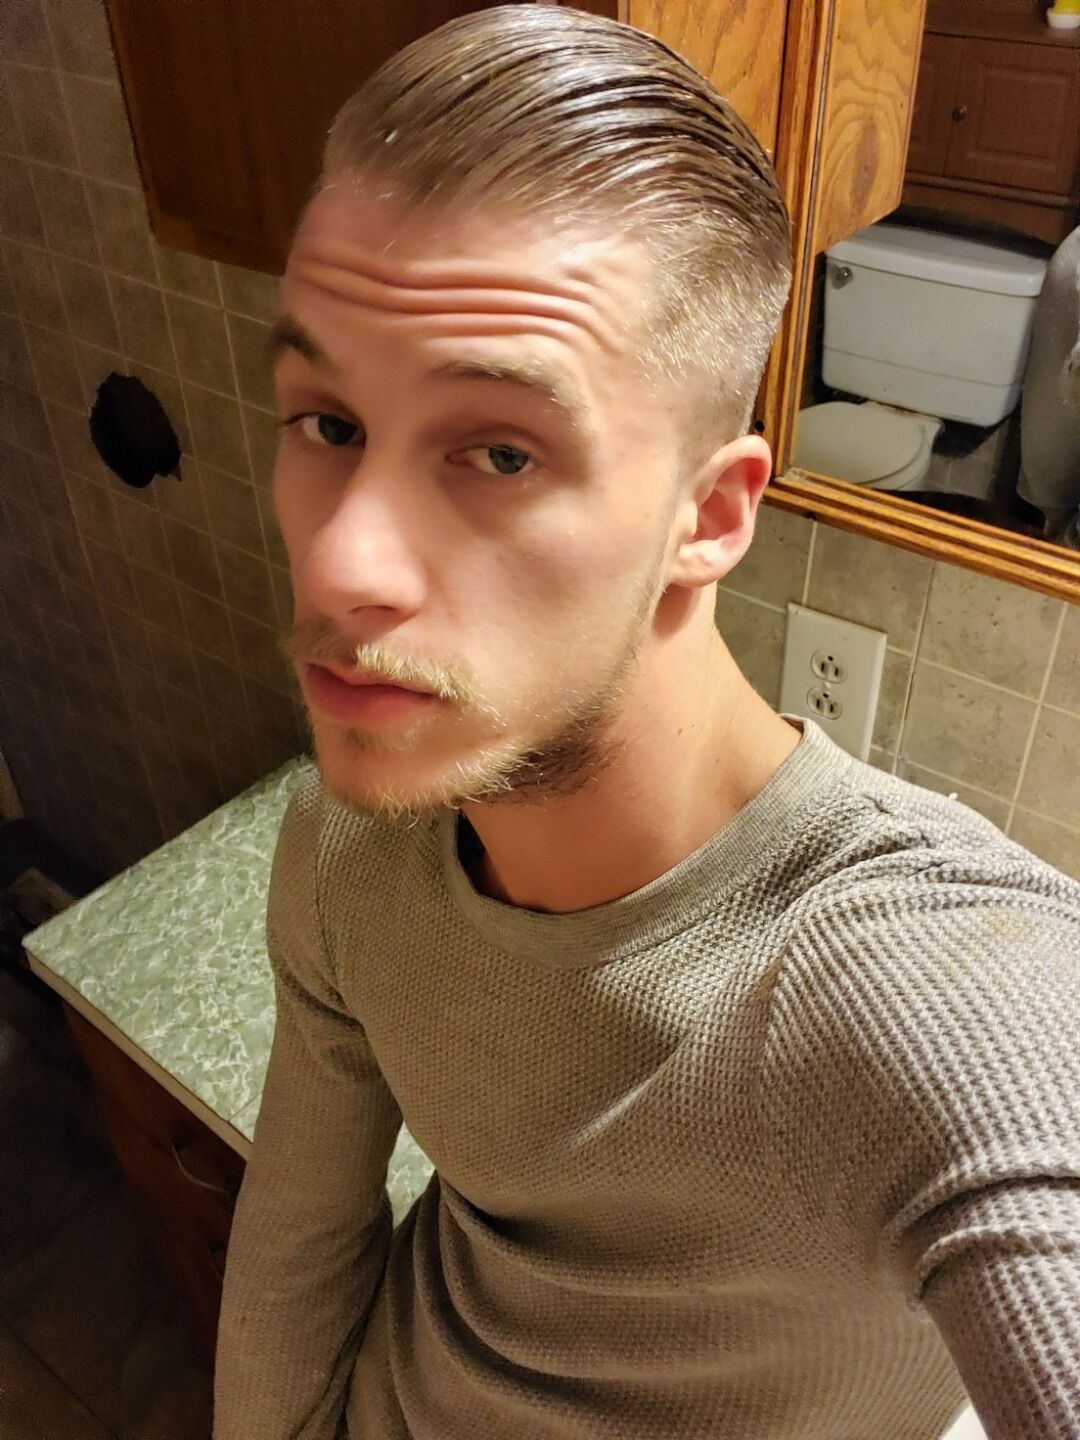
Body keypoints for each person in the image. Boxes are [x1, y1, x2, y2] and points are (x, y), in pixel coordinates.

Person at [212, 8, 1080, 1438]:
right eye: (329, 424)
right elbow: (296, 1247)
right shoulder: (349, 845)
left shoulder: (934, 985)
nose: (342, 562)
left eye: (500, 451)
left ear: (712, 516)